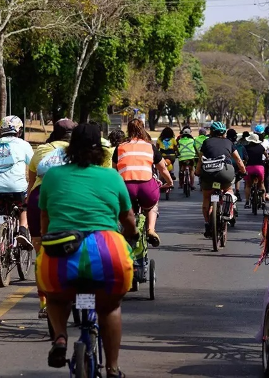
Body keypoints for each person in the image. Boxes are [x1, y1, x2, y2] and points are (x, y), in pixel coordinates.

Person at [38, 124, 139, 378]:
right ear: (101, 151)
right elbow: (128, 218)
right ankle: (113, 369)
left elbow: (45, 225)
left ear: (70, 149)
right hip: (108, 254)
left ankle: (60, 338)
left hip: (60, 255)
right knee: (110, 308)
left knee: (56, 298)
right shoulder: (112, 176)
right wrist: (133, 234)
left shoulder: (52, 176)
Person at [27, 118, 77, 318]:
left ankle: (44, 303)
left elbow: (31, 181)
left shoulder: (41, 150)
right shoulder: (78, 152)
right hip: (67, 199)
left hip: (38, 199)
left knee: (41, 255)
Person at [113, 119, 173, 247]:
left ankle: (125, 231)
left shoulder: (120, 147)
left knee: (124, 209)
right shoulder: (149, 147)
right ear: (143, 129)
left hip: (126, 189)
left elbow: (114, 170)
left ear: (128, 130)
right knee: (152, 205)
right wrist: (169, 182)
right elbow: (162, 168)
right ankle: (151, 229)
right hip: (147, 188)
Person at [0, 115, 34, 251]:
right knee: (24, 207)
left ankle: (0, 239)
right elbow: (33, 165)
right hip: (17, 187)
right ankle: (23, 231)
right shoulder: (24, 144)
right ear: (19, 130)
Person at [197, 122, 247, 238]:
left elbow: (200, 160)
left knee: (206, 198)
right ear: (224, 132)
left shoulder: (206, 142)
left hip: (208, 173)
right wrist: (243, 171)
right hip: (225, 172)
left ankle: (207, 223)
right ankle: (228, 202)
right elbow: (238, 161)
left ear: (212, 132)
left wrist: (197, 172)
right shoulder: (229, 143)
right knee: (229, 189)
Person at [243, 133, 269, 208]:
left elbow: (245, 158)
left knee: (248, 185)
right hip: (259, 168)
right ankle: (263, 200)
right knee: (261, 184)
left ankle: (247, 202)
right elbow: (266, 155)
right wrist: (267, 159)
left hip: (249, 168)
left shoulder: (246, 147)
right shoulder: (261, 147)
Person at [227, 128, 248, 201]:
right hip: (238, 165)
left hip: (228, 165)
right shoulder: (240, 145)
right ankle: (237, 191)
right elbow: (246, 158)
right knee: (238, 176)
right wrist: (243, 167)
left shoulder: (226, 144)